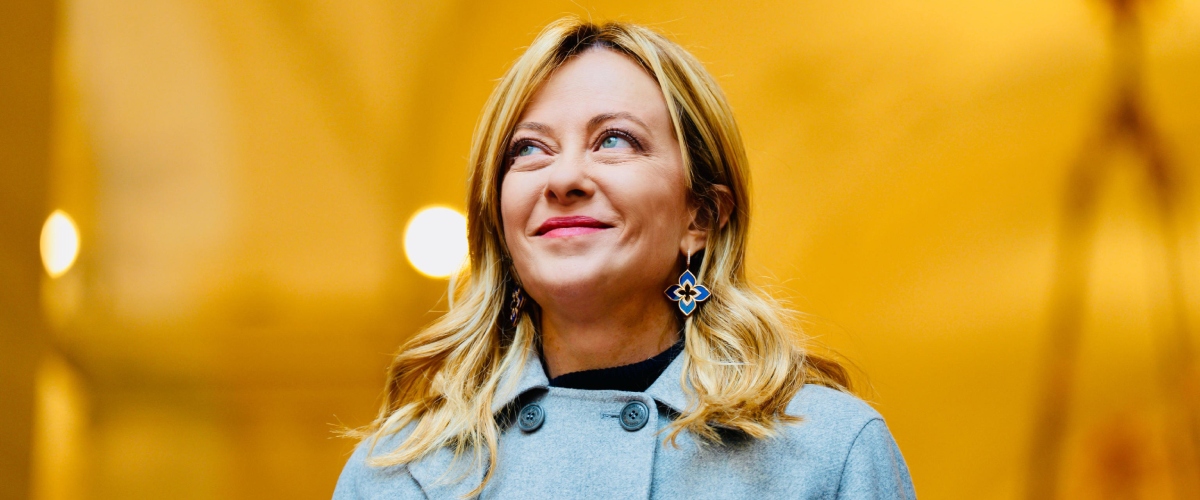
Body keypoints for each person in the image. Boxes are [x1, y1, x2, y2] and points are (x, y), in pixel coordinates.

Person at [334, 17, 915, 499]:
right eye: (529, 148)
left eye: (614, 139)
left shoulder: (825, 454)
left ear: (701, 216)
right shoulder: (398, 474)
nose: (563, 178)